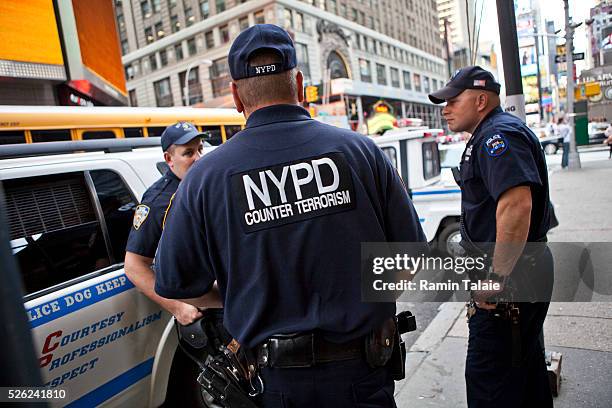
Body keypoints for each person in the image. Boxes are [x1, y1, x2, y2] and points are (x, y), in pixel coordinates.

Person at [155, 24, 426, 407]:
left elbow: (174, 281)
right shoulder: (361, 152)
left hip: (273, 384)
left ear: (235, 95)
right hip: (361, 374)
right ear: (299, 83)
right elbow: (410, 257)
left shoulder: (205, 179)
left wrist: (241, 295)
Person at [429, 66, 554, 408]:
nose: (445, 108)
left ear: (481, 100)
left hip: (511, 281)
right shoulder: (490, 135)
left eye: (454, 100)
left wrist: (496, 278)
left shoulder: (498, 137)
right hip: (520, 274)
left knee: (490, 382)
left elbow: (515, 205)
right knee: (523, 373)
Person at [125, 122, 221, 325]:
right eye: (188, 153)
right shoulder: (157, 201)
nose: (198, 158)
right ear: (169, 159)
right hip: (204, 307)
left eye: (200, 149)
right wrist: (177, 307)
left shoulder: (203, 184)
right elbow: (134, 266)